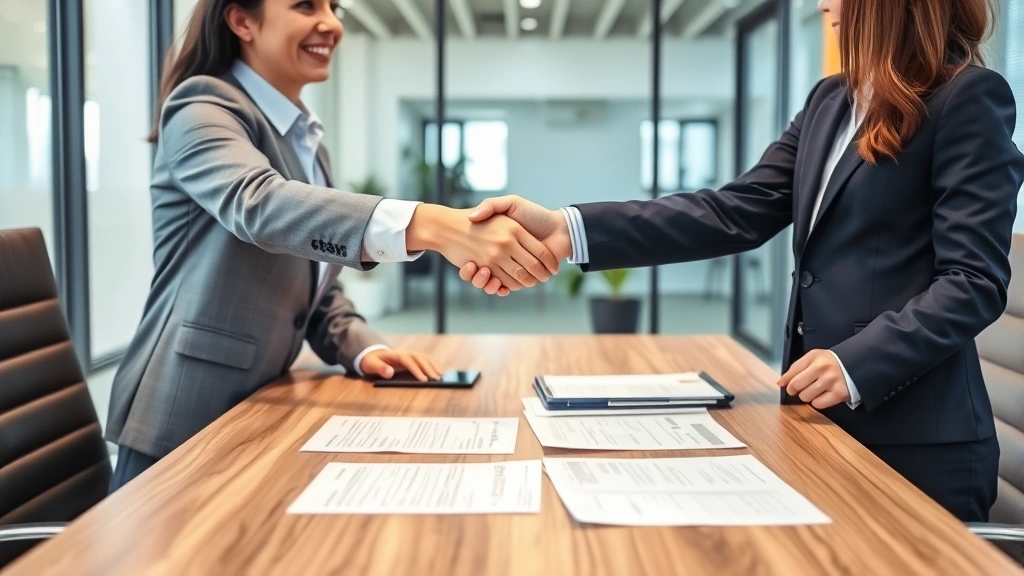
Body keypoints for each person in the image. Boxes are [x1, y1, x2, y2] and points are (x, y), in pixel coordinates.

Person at [460, 0, 1024, 522]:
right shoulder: (832, 100)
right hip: (817, 422)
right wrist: (566, 228)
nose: (822, 2)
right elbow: (735, 211)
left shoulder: (968, 98)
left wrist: (858, 363)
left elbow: (972, 281)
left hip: (917, 445)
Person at [106, 0, 559, 491]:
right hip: (183, 416)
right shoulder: (201, 106)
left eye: (334, 6)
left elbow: (310, 281)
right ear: (241, 21)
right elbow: (257, 206)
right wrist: (430, 223)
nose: (331, 23)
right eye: (305, 5)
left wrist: (365, 351)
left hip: (259, 410)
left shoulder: (304, 139)